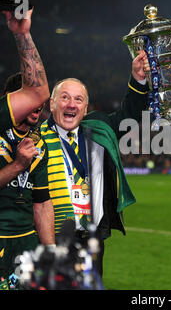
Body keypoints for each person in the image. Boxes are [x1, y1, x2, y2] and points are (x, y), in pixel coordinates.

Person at [40, 50, 149, 277]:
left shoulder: (99, 129)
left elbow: (129, 115)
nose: (72, 104)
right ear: (51, 104)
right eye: (65, 97)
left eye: (78, 99)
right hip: (53, 240)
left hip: (92, 240)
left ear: (86, 108)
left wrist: (138, 79)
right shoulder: (36, 141)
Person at [0, 73, 55, 290]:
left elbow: (41, 202)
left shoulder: (39, 144)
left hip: (26, 243)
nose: (39, 106)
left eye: (41, 102)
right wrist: (17, 166)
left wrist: (50, 251)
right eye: (32, 101)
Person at [0, 9, 50, 133]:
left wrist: (22, 34)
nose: (37, 105)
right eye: (25, 98)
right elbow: (37, 94)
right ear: (9, 98)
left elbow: (38, 95)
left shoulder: (44, 137)